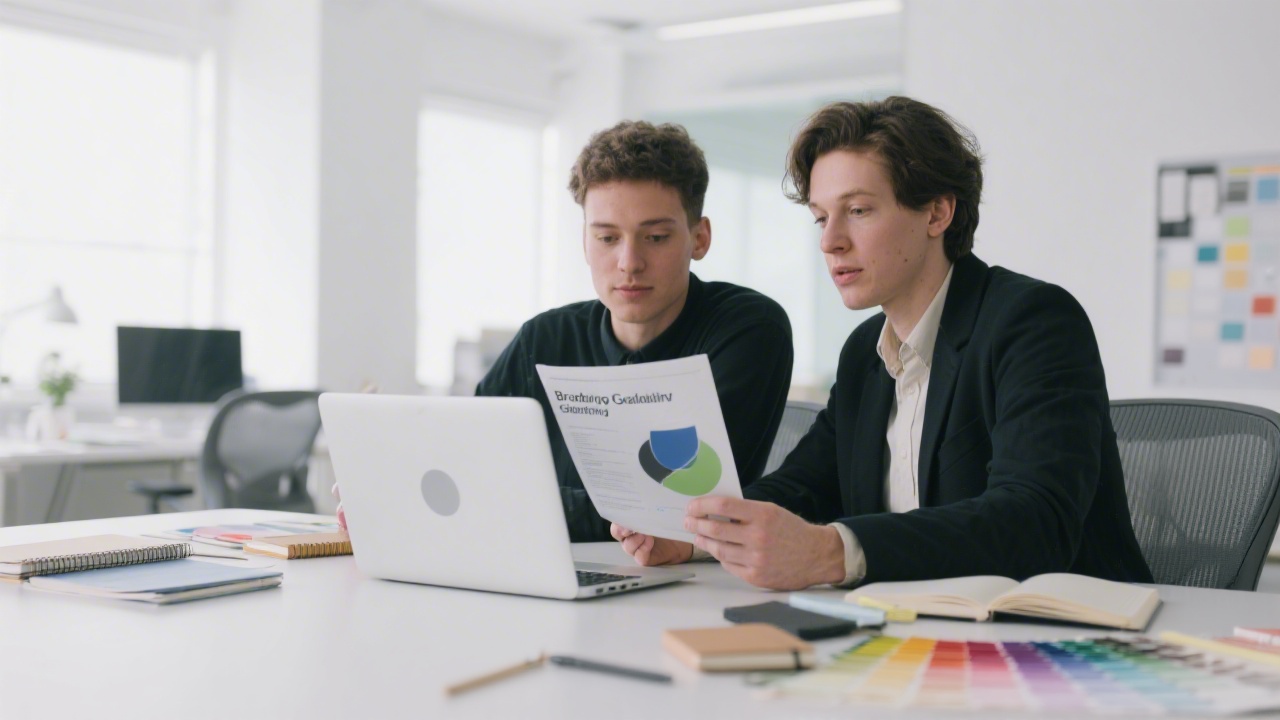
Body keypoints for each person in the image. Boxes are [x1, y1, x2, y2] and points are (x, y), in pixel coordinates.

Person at [612, 97, 1152, 590]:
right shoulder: (865, 351)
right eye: (822, 217)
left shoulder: (1033, 323)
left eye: (859, 210)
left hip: (1062, 636)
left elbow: (1035, 520)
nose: (830, 241)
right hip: (911, 629)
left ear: (938, 212)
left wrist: (834, 553)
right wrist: (694, 534)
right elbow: (804, 487)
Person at [367, 120, 787, 544]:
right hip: (537, 566)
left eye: (656, 237)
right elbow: (463, 467)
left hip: (689, 585)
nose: (628, 262)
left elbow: (674, 505)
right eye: (606, 238)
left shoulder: (748, 329)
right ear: (584, 242)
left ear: (699, 238)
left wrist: (506, 503)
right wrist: (391, 489)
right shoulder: (544, 339)